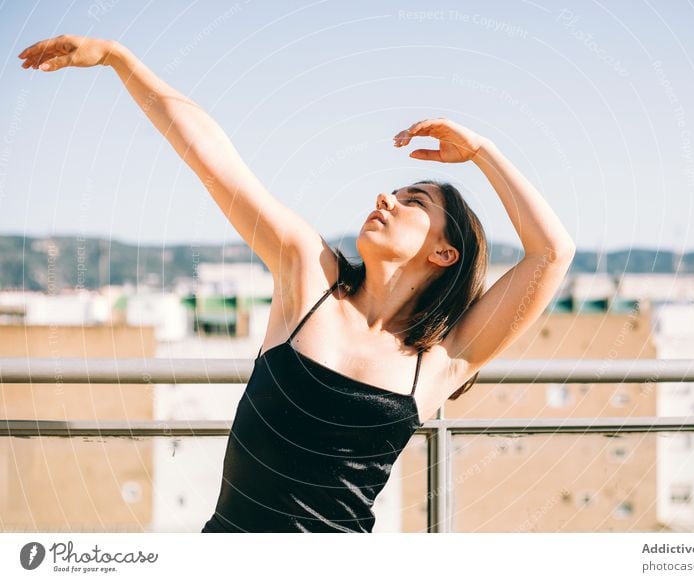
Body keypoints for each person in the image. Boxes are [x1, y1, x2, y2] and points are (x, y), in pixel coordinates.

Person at [18, 35, 577, 533]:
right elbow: (211, 157)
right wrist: (121, 59)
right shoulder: (309, 281)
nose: (387, 197)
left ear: (444, 252)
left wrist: (481, 153)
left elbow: (552, 252)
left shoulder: (442, 359)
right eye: (395, 191)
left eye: (415, 201)